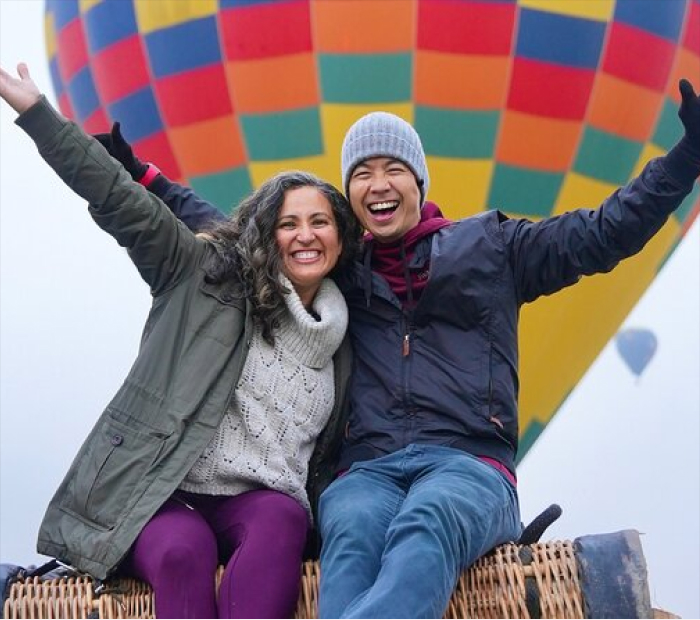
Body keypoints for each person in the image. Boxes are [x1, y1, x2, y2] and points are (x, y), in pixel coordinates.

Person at [94, 79, 699, 618]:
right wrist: (142, 177)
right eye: (361, 173)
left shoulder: (494, 248)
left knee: (427, 521)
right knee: (350, 530)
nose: (378, 184)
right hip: (368, 470)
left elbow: (604, 232)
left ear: (418, 182)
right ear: (350, 198)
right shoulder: (342, 274)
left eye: (393, 170)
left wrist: (686, 158)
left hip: (469, 467)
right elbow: (241, 236)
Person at [0, 62, 362, 619]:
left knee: (284, 520)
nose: (305, 236)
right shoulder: (203, 275)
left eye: (320, 222)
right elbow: (120, 200)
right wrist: (38, 115)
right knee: (181, 553)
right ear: (265, 234)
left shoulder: (346, 334)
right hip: (162, 492)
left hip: (262, 502)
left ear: (341, 235)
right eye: (288, 223)